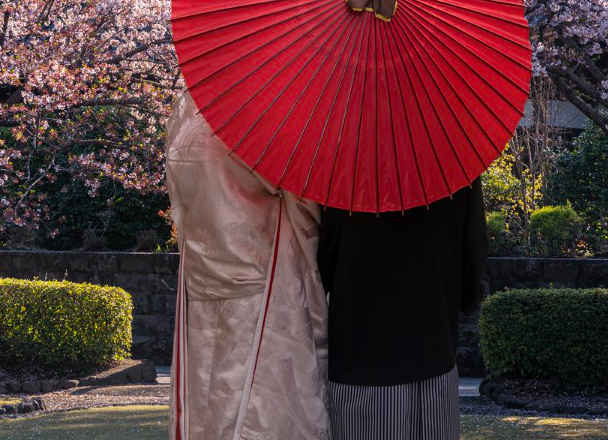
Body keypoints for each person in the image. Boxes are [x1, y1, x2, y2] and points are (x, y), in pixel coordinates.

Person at [166, 86, 330, 440]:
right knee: (262, 404)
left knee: (208, 400)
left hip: (203, 271)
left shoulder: (185, 114)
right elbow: (302, 203)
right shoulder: (264, 112)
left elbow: (179, 203)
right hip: (263, 272)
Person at [316, 179, 487, 440]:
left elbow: (323, 262)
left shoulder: (342, 164)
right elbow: (473, 255)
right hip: (433, 343)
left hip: (361, 348)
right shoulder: (454, 165)